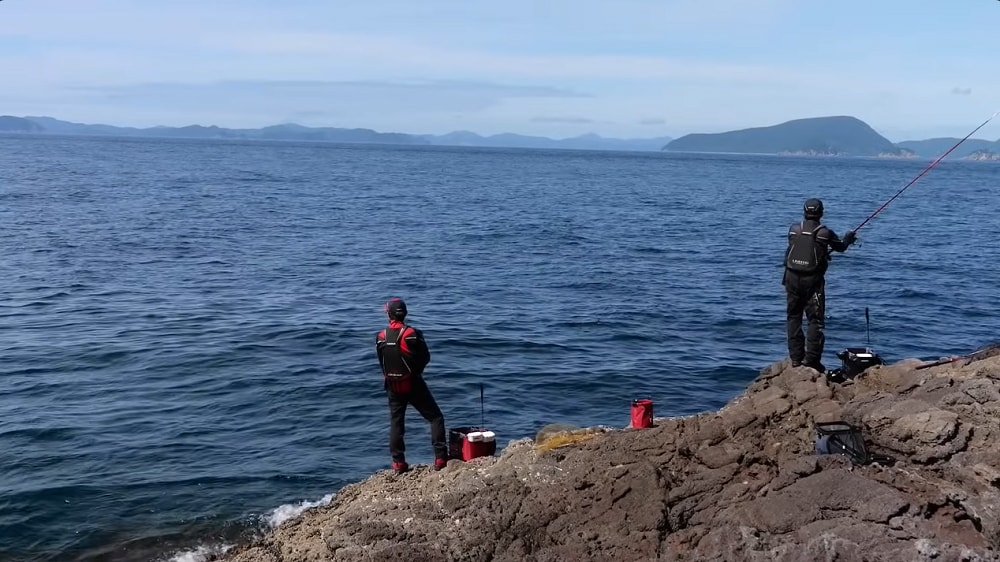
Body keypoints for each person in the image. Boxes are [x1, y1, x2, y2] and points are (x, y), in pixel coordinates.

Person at [783, 198, 857, 372]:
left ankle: (795, 359)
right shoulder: (825, 233)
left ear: (804, 212)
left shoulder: (793, 230)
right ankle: (812, 361)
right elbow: (840, 247)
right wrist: (849, 238)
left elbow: (799, 249)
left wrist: (821, 254)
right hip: (813, 282)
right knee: (815, 321)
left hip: (791, 279)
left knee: (793, 317)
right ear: (821, 213)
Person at [375, 297, 448, 474]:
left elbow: (381, 361)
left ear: (389, 314)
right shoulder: (413, 334)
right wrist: (416, 372)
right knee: (435, 418)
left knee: (396, 422)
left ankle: (398, 463)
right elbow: (425, 358)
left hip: (392, 385)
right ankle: (440, 459)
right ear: (405, 314)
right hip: (413, 383)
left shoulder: (380, 336)